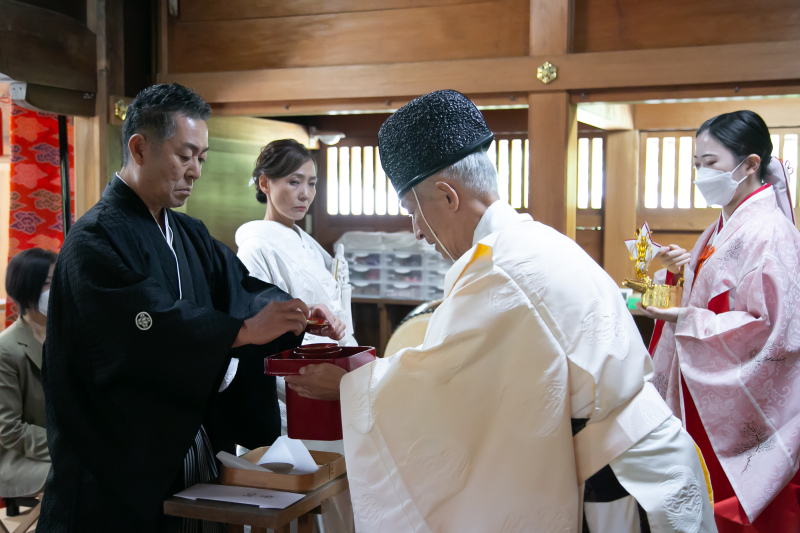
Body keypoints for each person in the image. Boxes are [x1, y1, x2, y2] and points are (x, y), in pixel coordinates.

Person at [285, 90, 717, 533]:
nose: (416, 232)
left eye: (412, 211)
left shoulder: (500, 271)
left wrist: (351, 388)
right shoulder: (534, 241)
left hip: (624, 483)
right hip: (645, 462)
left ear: (447, 196)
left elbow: (447, 388)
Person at [38, 83, 343, 533]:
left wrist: (296, 312)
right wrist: (237, 333)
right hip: (119, 459)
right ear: (140, 148)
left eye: (202, 157)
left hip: (190, 444)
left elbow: (241, 289)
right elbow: (141, 324)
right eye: (185, 155)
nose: (195, 171)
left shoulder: (190, 233)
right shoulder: (94, 240)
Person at [642, 110, 800, 533]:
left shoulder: (769, 231)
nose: (700, 172)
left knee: (733, 504)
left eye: (710, 163)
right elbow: (710, 293)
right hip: (707, 381)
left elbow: (771, 330)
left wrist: (688, 319)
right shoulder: (721, 226)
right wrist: (678, 274)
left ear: (749, 164)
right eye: (696, 163)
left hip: (738, 397)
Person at [235, 139, 355, 533]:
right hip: (291, 388)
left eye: (312, 183)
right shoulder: (255, 247)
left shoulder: (307, 242)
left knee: (338, 486)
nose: (305, 193)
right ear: (265, 184)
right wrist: (313, 327)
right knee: (301, 490)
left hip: (330, 375)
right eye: (293, 181)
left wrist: (331, 328)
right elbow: (263, 323)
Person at [0, 249, 56, 502]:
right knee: (85, 475)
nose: (56, 290)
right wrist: (65, 445)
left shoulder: (68, 337)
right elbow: (8, 428)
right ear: (25, 287)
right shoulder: (6, 349)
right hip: (21, 458)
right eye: (47, 283)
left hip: (69, 447)